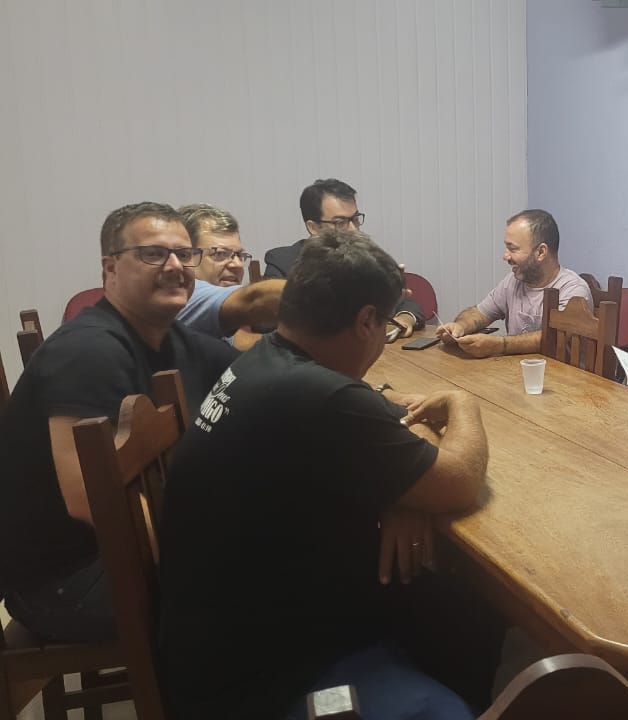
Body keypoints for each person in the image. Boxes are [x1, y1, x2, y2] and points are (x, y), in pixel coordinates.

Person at [159, 228, 490, 720]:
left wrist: (399, 491)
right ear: (366, 321)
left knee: (457, 606)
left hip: (232, 635)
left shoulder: (270, 361)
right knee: (465, 607)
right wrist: (464, 403)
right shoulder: (320, 396)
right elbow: (459, 481)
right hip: (261, 679)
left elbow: (378, 419)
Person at [0, 202, 239, 643]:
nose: (175, 266)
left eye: (184, 254)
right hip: (64, 579)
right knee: (269, 578)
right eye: (153, 254)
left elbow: (257, 379)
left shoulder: (172, 337)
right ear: (109, 268)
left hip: (118, 553)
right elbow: (91, 502)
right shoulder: (88, 352)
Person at [263, 178, 424, 336]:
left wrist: (404, 319)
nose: (353, 229)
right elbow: (268, 324)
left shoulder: (366, 259)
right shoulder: (283, 263)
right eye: (340, 222)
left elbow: (406, 302)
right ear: (313, 227)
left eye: (355, 219)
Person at [435, 209, 591, 358]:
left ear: (541, 252)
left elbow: (554, 338)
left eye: (513, 249)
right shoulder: (513, 281)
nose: (505, 256)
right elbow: (481, 313)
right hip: (516, 371)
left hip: (562, 375)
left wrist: (498, 345)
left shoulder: (574, 290)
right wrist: (460, 326)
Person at [176, 203, 284, 348]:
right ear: (185, 257)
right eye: (220, 254)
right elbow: (255, 299)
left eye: (239, 255)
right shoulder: (185, 296)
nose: (237, 265)